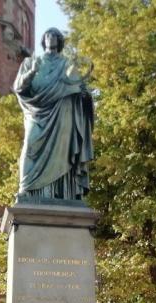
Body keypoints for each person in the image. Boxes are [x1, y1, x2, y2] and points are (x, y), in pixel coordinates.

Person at [13, 27, 93, 204]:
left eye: (55, 35)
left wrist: (84, 95)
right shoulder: (30, 62)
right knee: (30, 144)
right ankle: (25, 188)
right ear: (44, 40)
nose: (51, 38)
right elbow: (19, 87)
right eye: (48, 35)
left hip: (62, 112)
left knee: (62, 154)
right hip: (37, 112)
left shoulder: (67, 65)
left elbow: (79, 89)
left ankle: (62, 193)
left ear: (59, 41)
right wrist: (32, 72)